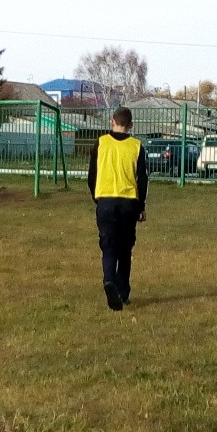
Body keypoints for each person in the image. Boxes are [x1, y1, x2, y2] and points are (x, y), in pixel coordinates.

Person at [88, 107, 147, 311]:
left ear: (112, 121)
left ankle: (108, 280)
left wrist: (96, 197)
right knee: (125, 248)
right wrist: (141, 206)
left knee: (108, 245)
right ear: (131, 125)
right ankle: (123, 292)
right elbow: (142, 180)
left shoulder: (101, 143)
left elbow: (92, 174)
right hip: (128, 203)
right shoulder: (137, 146)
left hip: (105, 200)